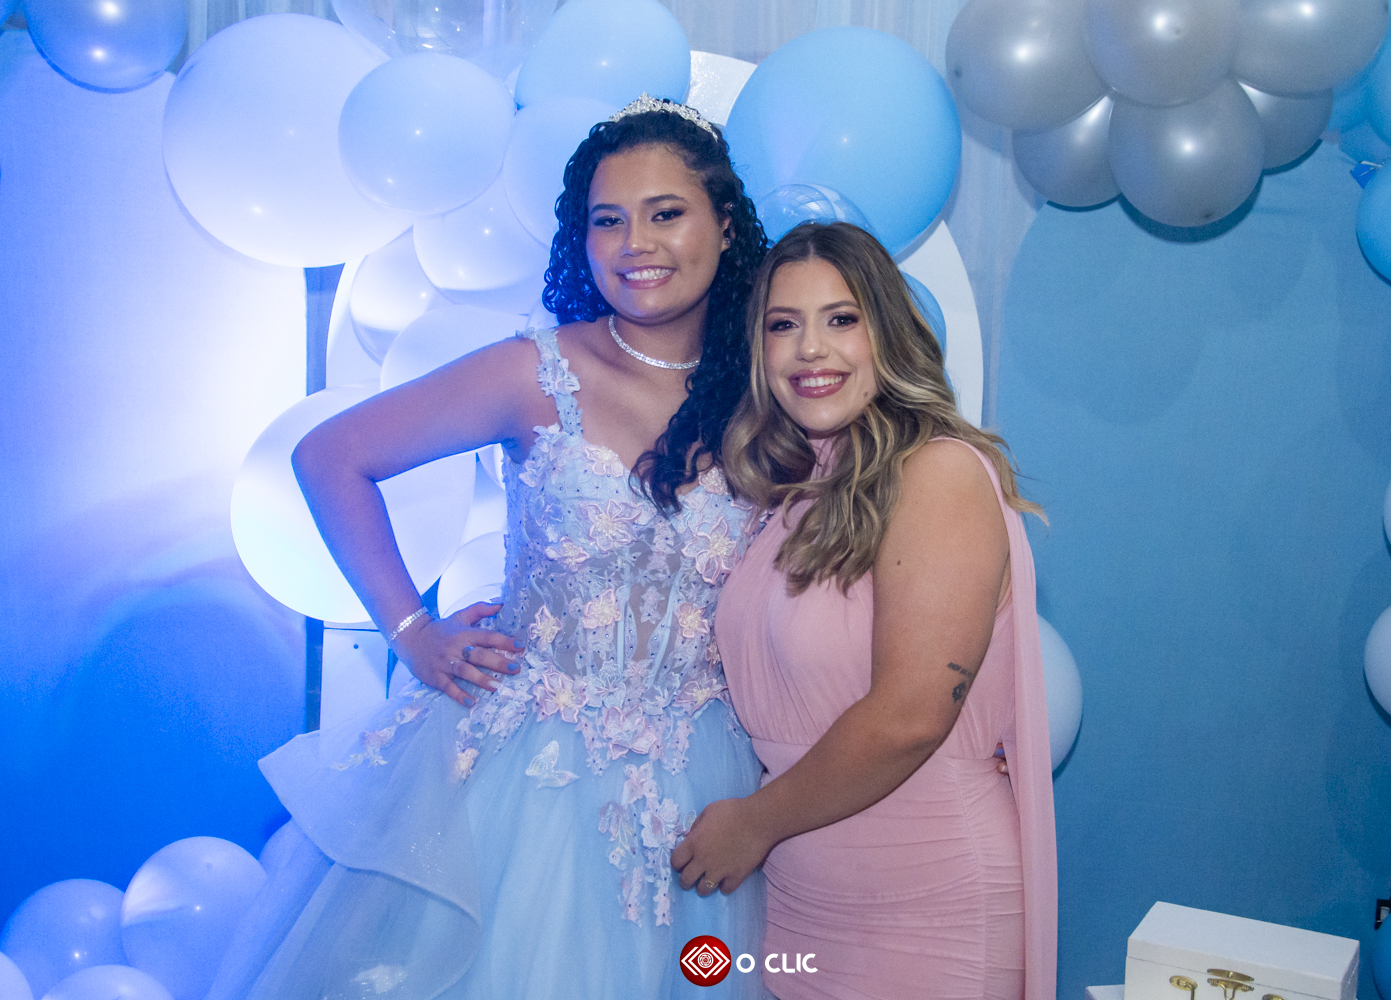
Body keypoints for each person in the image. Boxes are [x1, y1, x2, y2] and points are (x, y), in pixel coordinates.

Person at [208, 98, 772, 1000]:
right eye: (607, 220)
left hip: (708, 772)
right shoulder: (536, 372)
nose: (636, 243)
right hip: (523, 766)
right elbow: (330, 456)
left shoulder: (771, 388)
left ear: (726, 223)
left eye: (665, 213)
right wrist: (411, 631)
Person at [671, 221, 1058, 1000]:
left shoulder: (938, 472)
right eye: (784, 325)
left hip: (927, 904)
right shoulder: (790, 494)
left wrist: (752, 824)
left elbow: (910, 715)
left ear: (887, 333)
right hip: (800, 905)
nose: (811, 349)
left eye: (841, 319)